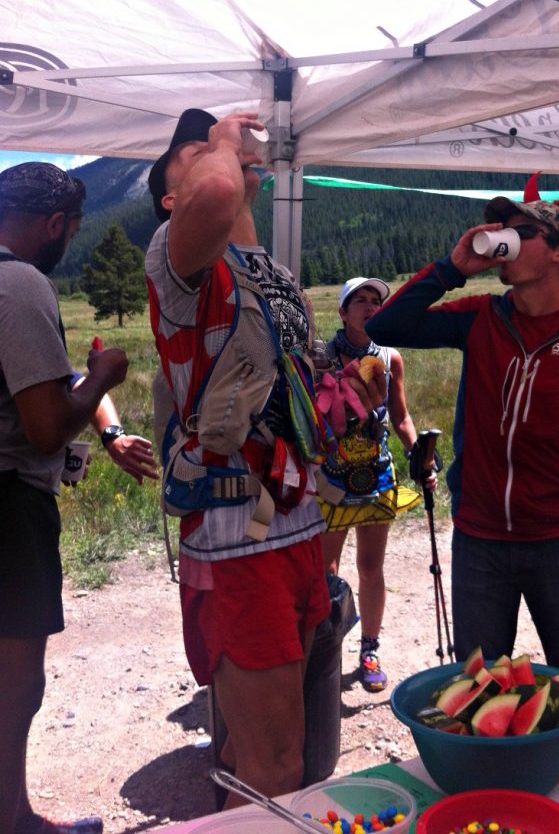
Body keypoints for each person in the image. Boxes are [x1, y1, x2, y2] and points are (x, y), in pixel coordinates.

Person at [144, 108, 385, 803]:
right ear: (171, 196)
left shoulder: (253, 265)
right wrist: (220, 141)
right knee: (277, 765)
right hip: (237, 540)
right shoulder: (177, 259)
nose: (220, 158)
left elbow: (235, 203)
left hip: (290, 519)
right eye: (195, 154)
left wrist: (242, 162)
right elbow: (217, 196)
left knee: (264, 751)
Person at [366, 174, 559, 674]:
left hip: (557, 543)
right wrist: (452, 269)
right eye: (505, 230)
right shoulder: (480, 318)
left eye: (523, 232)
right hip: (479, 541)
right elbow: (384, 326)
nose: (507, 240)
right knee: (476, 689)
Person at [0, 163, 129, 834]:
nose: (71, 241)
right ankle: (13, 816)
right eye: (73, 229)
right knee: (17, 678)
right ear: (54, 225)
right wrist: (101, 377)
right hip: (10, 507)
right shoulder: (20, 281)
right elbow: (46, 428)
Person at [318, 276, 430, 693]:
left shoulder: (390, 357)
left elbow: (401, 417)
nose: (369, 306)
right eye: (359, 301)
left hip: (377, 473)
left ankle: (369, 650)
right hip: (330, 477)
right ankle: (328, 648)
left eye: (375, 301)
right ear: (343, 312)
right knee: (327, 570)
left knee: (370, 566)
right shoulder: (320, 358)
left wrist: (420, 454)